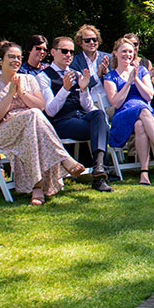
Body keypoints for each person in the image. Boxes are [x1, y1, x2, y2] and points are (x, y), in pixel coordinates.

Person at [0, 42, 85, 205]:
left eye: (18, 57)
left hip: (33, 128)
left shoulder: (29, 79)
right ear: (1, 60)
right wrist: (10, 95)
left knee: (34, 120)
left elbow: (41, 106)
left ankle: (38, 188)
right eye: (11, 57)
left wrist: (21, 92)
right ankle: (64, 158)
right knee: (33, 115)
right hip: (7, 131)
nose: (16, 60)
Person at [104, 37, 154, 185]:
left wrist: (136, 79)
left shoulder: (142, 71)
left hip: (144, 113)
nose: (128, 55)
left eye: (130, 52)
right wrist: (128, 83)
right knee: (142, 109)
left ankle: (144, 173)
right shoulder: (110, 76)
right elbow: (116, 102)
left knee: (140, 124)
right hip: (124, 113)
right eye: (124, 51)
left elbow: (149, 96)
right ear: (115, 53)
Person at [42, 36, 114, 192]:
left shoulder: (76, 74)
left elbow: (88, 107)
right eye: (64, 51)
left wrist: (83, 89)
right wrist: (64, 89)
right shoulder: (43, 76)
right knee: (102, 128)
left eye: (71, 52)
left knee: (99, 115)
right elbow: (50, 110)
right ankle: (99, 175)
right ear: (53, 52)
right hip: (61, 122)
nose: (68, 55)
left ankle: (98, 168)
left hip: (80, 117)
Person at [70, 25, 111, 111]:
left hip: (110, 100)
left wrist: (106, 73)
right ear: (80, 42)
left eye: (94, 39)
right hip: (90, 104)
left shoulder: (108, 58)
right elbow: (80, 86)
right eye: (87, 40)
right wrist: (97, 75)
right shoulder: (74, 62)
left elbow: (117, 81)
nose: (91, 42)